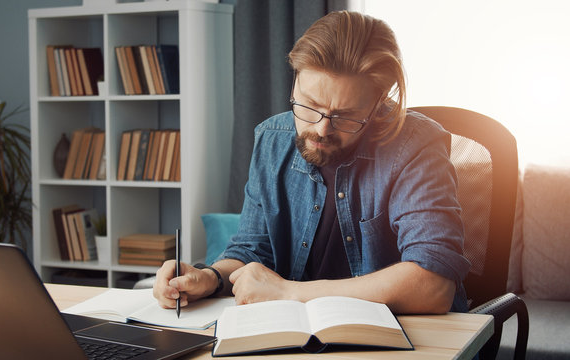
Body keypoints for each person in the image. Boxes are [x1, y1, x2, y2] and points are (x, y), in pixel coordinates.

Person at [154, 10, 471, 314]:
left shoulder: (416, 145)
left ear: (378, 103)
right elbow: (252, 250)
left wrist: (290, 293)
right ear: (295, 82)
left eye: (345, 116)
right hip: (297, 334)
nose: (321, 129)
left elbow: (434, 285)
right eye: (309, 105)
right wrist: (209, 279)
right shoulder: (271, 138)